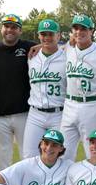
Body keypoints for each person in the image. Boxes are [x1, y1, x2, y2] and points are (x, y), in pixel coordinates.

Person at [0, 13, 36, 171]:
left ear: (20, 31)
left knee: (27, 155)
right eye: (7, 26)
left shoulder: (28, 47)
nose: (10, 30)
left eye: (14, 27)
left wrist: (40, 47)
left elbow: (49, 45)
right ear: (1, 29)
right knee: (3, 158)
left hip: (24, 112)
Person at [60, 14, 96, 158]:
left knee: (93, 152)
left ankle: (94, 180)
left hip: (91, 106)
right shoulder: (68, 49)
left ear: (91, 31)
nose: (79, 31)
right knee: (63, 152)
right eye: (76, 28)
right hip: (69, 104)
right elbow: (50, 47)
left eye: (83, 28)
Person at [24, 19, 66, 158]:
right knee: (29, 156)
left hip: (59, 114)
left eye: (50, 34)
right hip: (35, 114)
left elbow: (76, 41)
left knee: (58, 156)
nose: (47, 37)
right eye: (43, 34)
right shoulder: (31, 57)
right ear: (38, 35)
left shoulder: (67, 56)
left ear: (58, 36)